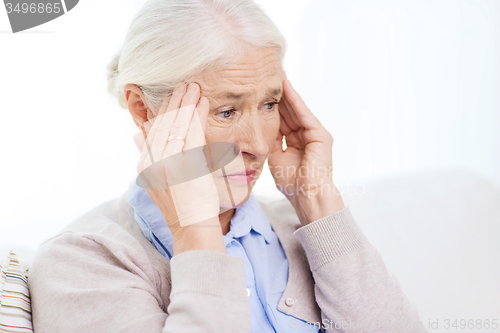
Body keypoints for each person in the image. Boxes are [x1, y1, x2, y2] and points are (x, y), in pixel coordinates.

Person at [28, 0, 428, 332]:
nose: (259, 144)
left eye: (269, 104)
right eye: (227, 110)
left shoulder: (299, 229)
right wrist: (195, 232)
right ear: (142, 108)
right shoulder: (82, 263)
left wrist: (319, 201)